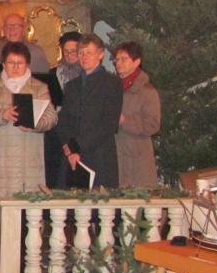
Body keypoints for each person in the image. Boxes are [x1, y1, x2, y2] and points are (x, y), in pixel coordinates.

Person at [0, 42, 57, 269]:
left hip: (26, 163)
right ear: (4, 63)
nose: (15, 67)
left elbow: (51, 118)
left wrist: (35, 124)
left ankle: (22, 260)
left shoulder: (39, 87)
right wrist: (3, 114)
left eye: (20, 63)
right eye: (10, 63)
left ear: (28, 64)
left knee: (24, 215)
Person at [56, 34, 123, 188]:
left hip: (98, 155)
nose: (84, 57)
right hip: (72, 155)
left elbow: (108, 123)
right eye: (81, 53)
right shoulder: (72, 86)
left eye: (89, 53)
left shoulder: (111, 83)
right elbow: (64, 119)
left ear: (101, 54)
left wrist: (77, 146)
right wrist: (67, 145)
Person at [114, 42, 161, 187]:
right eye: (117, 60)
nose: (119, 63)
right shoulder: (114, 88)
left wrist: (124, 120)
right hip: (117, 154)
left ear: (137, 62)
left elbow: (153, 124)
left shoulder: (147, 91)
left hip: (137, 158)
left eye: (124, 59)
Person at [44, 31, 82, 189]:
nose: (70, 55)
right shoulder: (53, 74)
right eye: (66, 51)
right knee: (56, 176)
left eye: (74, 51)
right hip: (55, 131)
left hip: (78, 131)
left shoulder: (86, 75)